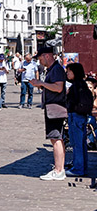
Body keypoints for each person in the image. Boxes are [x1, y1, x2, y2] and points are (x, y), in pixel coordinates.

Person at [30, 45, 67, 181]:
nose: (39, 61)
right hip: (53, 107)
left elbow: (58, 87)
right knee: (56, 138)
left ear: (46, 56)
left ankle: (58, 170)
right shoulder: (53, 69)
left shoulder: (56, 69)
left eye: (40, 58)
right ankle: (59, 169)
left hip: (55, 108)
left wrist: (41, 83)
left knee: (55, 137)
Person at [65, 63, 92, 177]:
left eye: (69, 71)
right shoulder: (82, 84)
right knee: (81, 144)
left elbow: (73, 101)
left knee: (77, 144)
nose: (67, 73)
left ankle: (78, 168)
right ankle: (82, 167)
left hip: (75, 116)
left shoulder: (76, 85)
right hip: (81, 116)